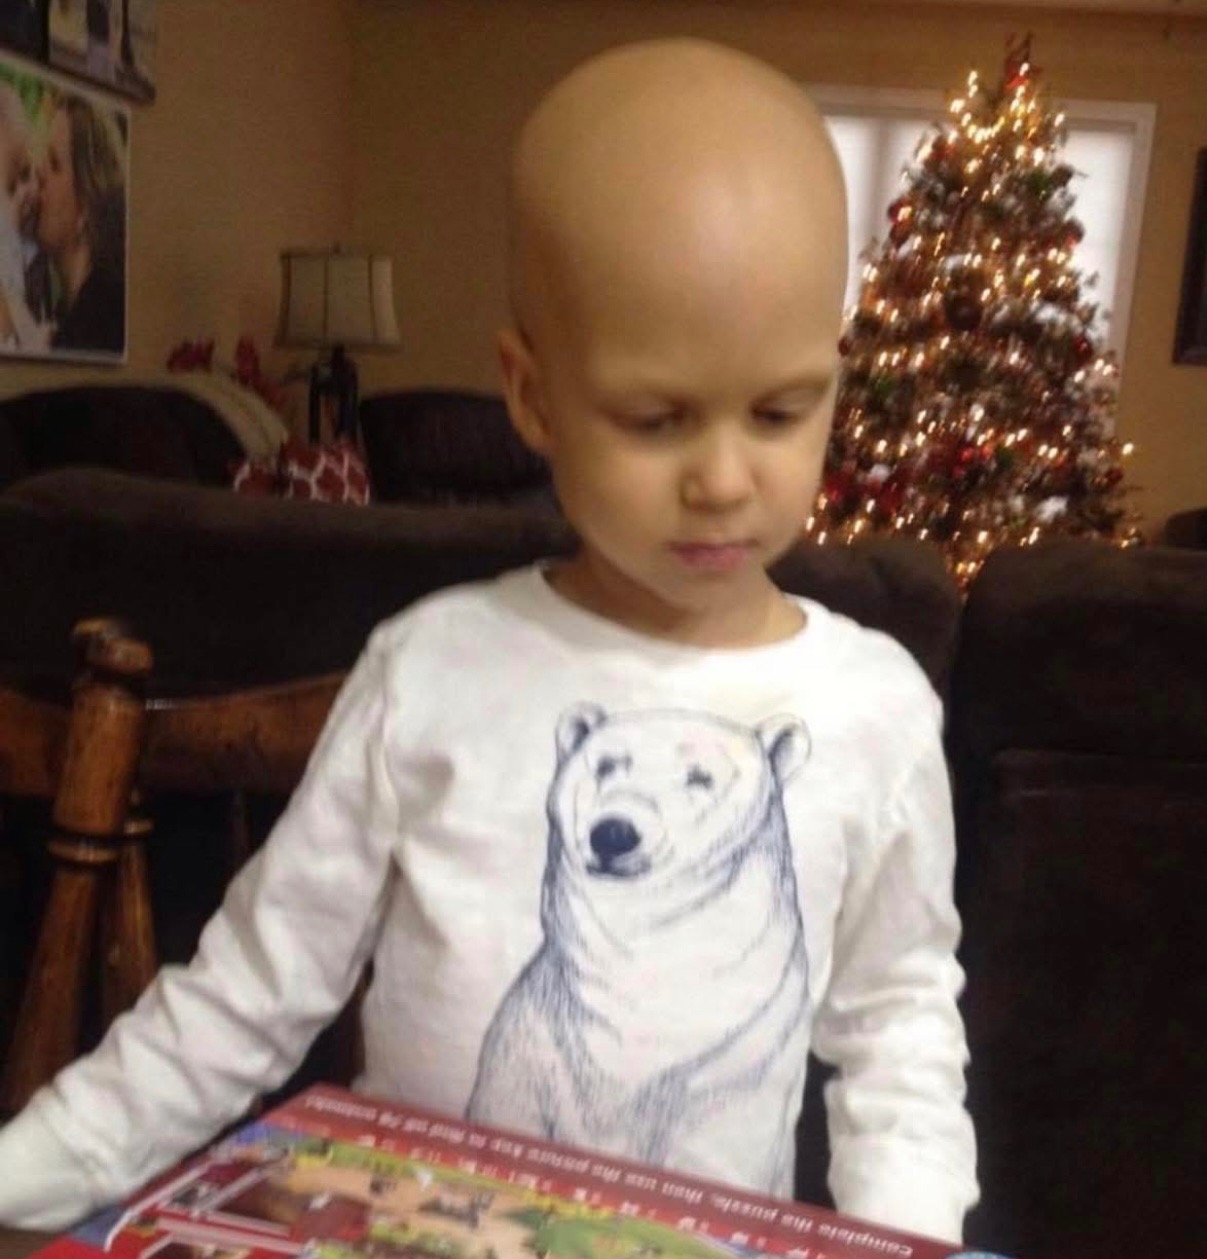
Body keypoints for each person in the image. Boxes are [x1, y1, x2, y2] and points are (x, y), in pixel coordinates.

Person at [0, 39, 978, 1240]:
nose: (725, 479)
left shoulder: (873, 707)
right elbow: (248, 991)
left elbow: (898, 1035)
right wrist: (29, 1165)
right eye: (654, 418)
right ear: (531, 395)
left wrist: (908, 1232)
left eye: (781, 410)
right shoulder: (428, 668)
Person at [37, 90, 126, 354]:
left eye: (54, 164)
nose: (39, 172)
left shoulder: (99, 324)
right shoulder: (70, 312)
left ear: (85, 208)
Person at [0, 83, 48, 352]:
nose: (28, 191)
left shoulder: (29, 247)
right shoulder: (7, 243)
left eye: (28, 173)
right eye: (11, 186)